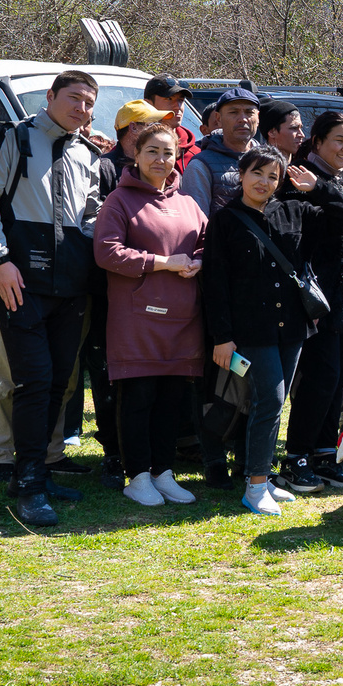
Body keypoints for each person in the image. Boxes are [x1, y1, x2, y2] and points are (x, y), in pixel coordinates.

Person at [0, 67, 108, 526]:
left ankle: (35, 470)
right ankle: (29, 482)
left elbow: (91, 217)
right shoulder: (14, 138)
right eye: (74, 98)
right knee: (33, 380)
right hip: (20, 281)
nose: (82, 108)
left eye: (90, 102)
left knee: (57, 381)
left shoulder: (90, 154)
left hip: (71, 287)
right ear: (51, 96)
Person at [201, 143, 333, 517]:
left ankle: (259, 474)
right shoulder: (225, 221)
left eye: (272, 176)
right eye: (256, 172)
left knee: (270, 402)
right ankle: (256, 484)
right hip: (249, 331)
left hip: (292, 327)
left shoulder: (294, 211)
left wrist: (318, 188)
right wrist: (222, 337)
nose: (263, 181)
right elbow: (215, 285)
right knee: (271, 400)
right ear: (241, 175)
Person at [94, 121, 206, 507]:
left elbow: (209, 244)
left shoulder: (188, 202)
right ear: (136, 156)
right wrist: (162, 263)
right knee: (138, 397)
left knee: (172, 400)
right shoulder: (119, 200)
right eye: (152, 151)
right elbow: (106, 253)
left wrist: (199, 262)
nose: (161, 159)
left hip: (182, 318)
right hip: (136, 318)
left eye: (168, 152)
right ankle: (137, 475)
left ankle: (163, 472)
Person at [286, 110, 343, 494]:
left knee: (338, 380)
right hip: (320, 300)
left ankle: (324, 453)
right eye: (338, 139)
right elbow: (321, 233)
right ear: (317, 141)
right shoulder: (303, 178)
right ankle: (297, 457)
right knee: (318, 380)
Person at [179, 85, 262, 213]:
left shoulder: (267, 161)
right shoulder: (201, 166)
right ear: (219, 119)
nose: (243, 119)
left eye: (249, 112)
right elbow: (197, 222)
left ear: (258, 118)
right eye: (233, 112)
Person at [142, 73, 199, 167]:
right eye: (169, 99)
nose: (178, 107)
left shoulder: (195, 155)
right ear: (148, 104)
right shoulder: (134, 145)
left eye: (181, 100)